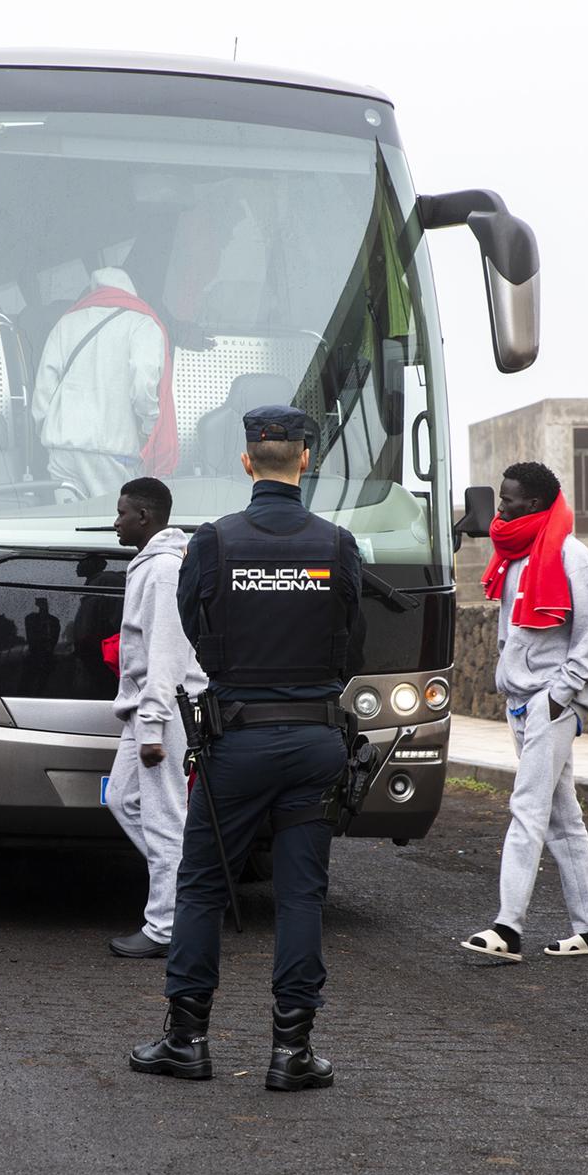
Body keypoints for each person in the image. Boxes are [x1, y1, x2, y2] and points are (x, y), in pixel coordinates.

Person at [128, 404, 360, 1092]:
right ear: (306, 462)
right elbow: (353, 646)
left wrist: (239, 685)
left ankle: (186, 1040)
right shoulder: (337, 545)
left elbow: (194, 628)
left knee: (199, 884)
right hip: (316, 737)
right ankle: (292, 1053)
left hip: (237, 738)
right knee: (300, 895)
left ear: (247, 462)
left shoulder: (215, 542)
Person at [459, 461, 588, 963]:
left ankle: (507, 927)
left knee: (526, 808)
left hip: (549, 702)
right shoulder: (514, 555)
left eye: (508, 499)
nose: (500, 507)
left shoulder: (571, 556)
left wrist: (561, 693)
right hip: (523, 703)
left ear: (533, 503)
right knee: (560, 817)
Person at [105, 476, 207, 959]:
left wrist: (150, 725)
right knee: (123, 800)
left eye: (122, 512)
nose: (116, 521)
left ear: (144, 518)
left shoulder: (164, 569)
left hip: (163, 711)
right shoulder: (151, 564)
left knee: (166, 818)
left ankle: (165, 927)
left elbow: (166, 654)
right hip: (149, 709)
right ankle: (192, 891)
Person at [30, 267, 178, 497]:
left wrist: (47, 430)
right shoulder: (142, 324)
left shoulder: (66, 322)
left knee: (67, 526)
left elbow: (43, 389)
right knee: (110, 526)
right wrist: (149, 426)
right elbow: (143, 380)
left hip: (62, 448)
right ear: (131, 291)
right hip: (113, 449)